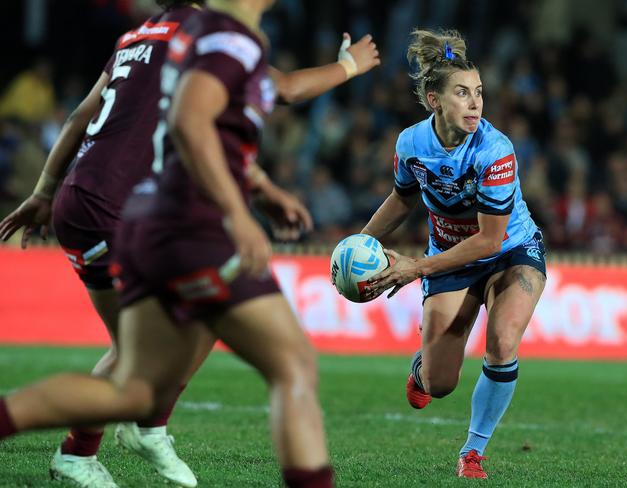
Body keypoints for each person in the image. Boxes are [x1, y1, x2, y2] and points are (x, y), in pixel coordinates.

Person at [0, 1, 379, 487]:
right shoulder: (221, 36)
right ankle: (119, 437)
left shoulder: (146, 38)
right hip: (156, 213)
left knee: (142, 378)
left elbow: (127, 118)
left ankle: (125, 431)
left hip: (122, 204)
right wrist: (348, 67)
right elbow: (197, 120)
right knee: (284, 365)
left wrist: (44, 190)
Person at [360, 29, 546, 479]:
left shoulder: (495, 151)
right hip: (448, 254)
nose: (475, 103)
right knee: (440, 385)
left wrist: (414, 269)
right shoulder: (410, 144)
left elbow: (488, 241)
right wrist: (359, 244)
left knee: (502, 341)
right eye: (462, 93)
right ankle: (424, 369)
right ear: (433, 101)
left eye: (479, 93)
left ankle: (472, 453)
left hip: (511, 250)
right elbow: (403, 198)